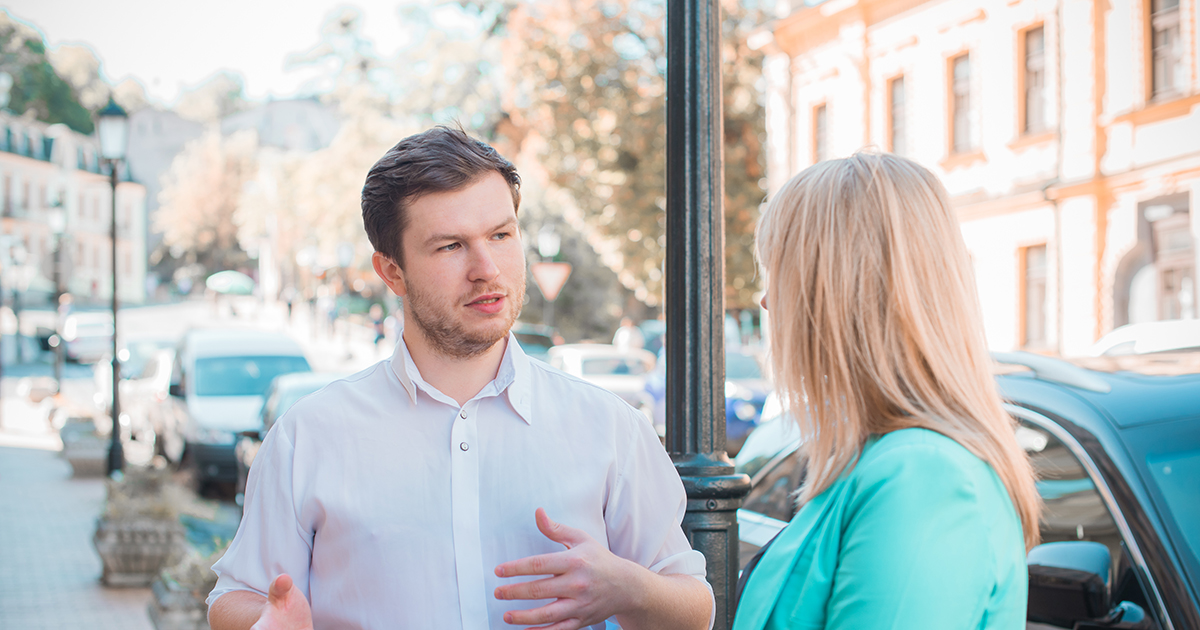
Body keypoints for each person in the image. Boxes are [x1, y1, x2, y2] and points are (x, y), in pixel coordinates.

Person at [206, 126, 713, 630]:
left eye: (501, 234)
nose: (487, 268)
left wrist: (629, 590)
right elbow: (236, 597)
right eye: (451, 246)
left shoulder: (611, 429)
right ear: (392, 272)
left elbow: (695, 608)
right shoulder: (307, 436)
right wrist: (266, 623)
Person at [733, 153, 1041, 629]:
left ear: (835, 289)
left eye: (781, 270)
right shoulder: (887, 460)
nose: (767, 301)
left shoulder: (922, 475)